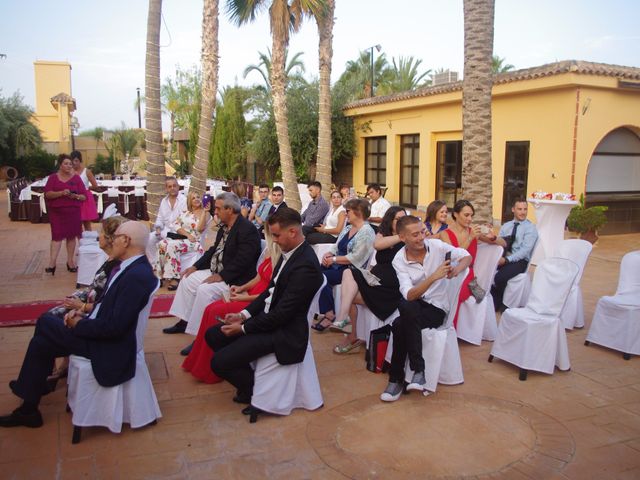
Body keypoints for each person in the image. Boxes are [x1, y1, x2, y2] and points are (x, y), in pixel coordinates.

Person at [0, 221, 158, 428]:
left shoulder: (136, 276)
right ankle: (30, 405)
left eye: (116, 236)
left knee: (46, 322)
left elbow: (115, 328)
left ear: (126, 241)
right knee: (41, 343)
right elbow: (109, 309)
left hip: (109, 347)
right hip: (100, 332)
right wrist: (84, 312)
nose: (112, 240)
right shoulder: (129, 267)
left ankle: (33, 389)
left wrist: (78, 324)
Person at [204, 207, 323, 410]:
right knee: (213, 335)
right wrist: (242, 314)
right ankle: (248, 382)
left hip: (284, 333)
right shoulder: (289, 253)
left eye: (276, 235)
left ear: (292, 232)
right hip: (269, 321)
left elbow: (282, 315)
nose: (273, 240)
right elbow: (269, 292)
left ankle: (252, 390)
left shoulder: (306, 267)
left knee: (219, 362)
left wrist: (243, 328)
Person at [380, 215, 471, 402]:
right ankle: (418, 370)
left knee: (399, 324)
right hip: (416, 304)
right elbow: (409, 294)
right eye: (415, 235)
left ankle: (397, 380)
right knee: (406, 307)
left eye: (422, 231)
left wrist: (458, 268)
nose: (421, 237)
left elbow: (466, 256)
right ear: (403, 237)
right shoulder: (399, 260)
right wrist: (433, 277)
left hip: (437, 308)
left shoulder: (436, 247)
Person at [164, 192, 262, 357]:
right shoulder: (225, 227)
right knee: (187, 279)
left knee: (204, 290)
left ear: (229, 209)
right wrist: (195, 266)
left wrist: (222, 276)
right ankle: (184, 320)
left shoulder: (247, 230)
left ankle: (199, 337)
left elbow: (243, 261)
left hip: (235, 279)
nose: (215, 212)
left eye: (218, 208)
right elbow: (213, 251)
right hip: (217, 270)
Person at [182, 224, 281, 384]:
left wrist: (244, 298)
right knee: (210, 309)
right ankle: (199, 360)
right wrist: (241, 288)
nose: (269, 234)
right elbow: (258, 277)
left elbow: (270, 293)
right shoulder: (270, 250)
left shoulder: (281, 257)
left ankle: (211, 367)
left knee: (215, 311)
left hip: (258, 302)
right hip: (250, 295)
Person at [44, 214, 129, 391]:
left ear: (110, 238)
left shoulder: (118, 268)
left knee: (46, 323)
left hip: (93, 318)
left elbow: (107, 305)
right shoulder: (110, 260)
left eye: (101, 233)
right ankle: (49, 371)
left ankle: (48, 370)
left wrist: (79, 306)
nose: (98, 237)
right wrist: (77, 297)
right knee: (46, 323)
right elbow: (94, 289)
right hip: (88, 307)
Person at [323, 206, 407, 355]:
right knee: (349, 274)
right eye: (398, 219)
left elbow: (377, 245)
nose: (401, 222)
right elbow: (379, 243)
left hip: (390, 288)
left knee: (347, 296)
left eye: (403, 219)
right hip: (374, 280)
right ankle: (345, 322)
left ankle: (350, 332)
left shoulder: (407, 238)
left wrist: (403, 235)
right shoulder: (383, 234)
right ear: (390, 220)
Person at [315, 198, 376, 325]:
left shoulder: (367, 232)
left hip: (351, 271)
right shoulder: (348, 228)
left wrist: (334, 259)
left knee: (321, 277)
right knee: (311, 274)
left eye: (348, 211)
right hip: (337, 265)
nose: (345, 213)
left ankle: (329, 314)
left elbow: (357, 258)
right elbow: (336, 245)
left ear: (358, 212)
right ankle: (317, 309)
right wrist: (329, 254)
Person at [439, 200, 484, 328]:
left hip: (468, 273)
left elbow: (501, 243)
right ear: (456, 214)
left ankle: (450, 328)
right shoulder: (445, 234)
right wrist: (470, 238)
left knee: (456, 293)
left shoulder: (473, 232)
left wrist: (492, 237)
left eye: (471, 215)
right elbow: (455, 257)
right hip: (451, 271)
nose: (470, 219)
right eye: (466, 215)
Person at [488, 198, 538, 312]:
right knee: (486, 271)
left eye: (525, 209)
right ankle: (492, 301)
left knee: (499, 277)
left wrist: (506, 260)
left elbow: (524, 251)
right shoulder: (506, 226)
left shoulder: (530, 228)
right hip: (505, 257)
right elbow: (500, 244)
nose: (523, 212)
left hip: (520, 261)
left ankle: (502, 303)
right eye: (519, 209)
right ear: (513, 210)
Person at [154, 191, 211, 291]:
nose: (197, 199)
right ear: (190, 201)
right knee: (161, 243)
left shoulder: (205, 213)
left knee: (172, 246)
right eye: (193, 198)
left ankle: (175, 278)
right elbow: (176, 225)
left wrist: (205, 211)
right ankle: (159, 276)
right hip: (183, 238)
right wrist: (187, 235)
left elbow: (200, 229)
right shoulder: (185, 213)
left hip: (194, 242)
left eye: (198, 197)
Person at [44, 153, 88, 275]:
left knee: (71, 236)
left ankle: (70, 261)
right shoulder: (53, 178)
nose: (69, 166)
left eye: (70, 164)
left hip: (73, 212)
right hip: (57, 213)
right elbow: (48, 194)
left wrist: (76, 196)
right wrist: (61, 193)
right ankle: (52, 263)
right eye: (66, 163)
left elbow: (84, 196)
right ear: (60, 165)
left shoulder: (76, 178)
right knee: (56, 236)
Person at [146, 177, 187, 264]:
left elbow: (185, 220)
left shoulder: (184, 200)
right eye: (169, 186)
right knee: (149, 238)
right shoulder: (164, 201)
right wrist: (158, 228)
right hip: (165, 231)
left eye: (174, 186)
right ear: (166, 189)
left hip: (178, 233)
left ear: (178, 187)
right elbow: (160, 218)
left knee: (165, 242)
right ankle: (154, 262)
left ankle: (166, 265)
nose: (172, 188)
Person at [70, 150, 99, 231]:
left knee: (86, 222)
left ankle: (88, 241)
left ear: (80, 160)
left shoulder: (87, 171)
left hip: (85, 198)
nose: (74, 163)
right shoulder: (69, 172)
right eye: (72, 161)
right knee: (75, 222)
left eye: (76, 160)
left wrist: (86, 188)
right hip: (73, 197)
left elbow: (95, 185)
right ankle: (78, 241)